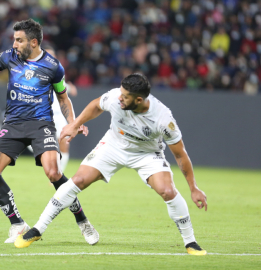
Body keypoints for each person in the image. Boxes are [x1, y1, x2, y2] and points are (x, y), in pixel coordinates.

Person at [14, 73, 208, 255]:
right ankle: (38, 229)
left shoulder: (163, 119)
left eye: (125, 97)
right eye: (120, 94)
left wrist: (194, 188)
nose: (119, 98)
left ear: (139, 100)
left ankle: (190, 242)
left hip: (146, 154)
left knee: (167, 191)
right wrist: (74, 124)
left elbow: (181, 155)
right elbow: (96, 106)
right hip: (113, 145)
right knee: (78, 180)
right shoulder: (116, 96)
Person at [0, 18, 99, 245]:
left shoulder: (53, 66)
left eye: (19, 40)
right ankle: (18, 224)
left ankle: (82, 220)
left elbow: (63, 97)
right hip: (13, 124)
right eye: (14, 40)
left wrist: (72, 123)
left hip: (41, 125)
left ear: (34, 42)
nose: (14, 44)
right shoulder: (9, 57)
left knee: (54, 173)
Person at [26, 45, 78, 172]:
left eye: (51, 55)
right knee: (27, 141)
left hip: (58, 115)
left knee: (64, 143)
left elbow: (66, 88)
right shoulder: (32, 73)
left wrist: (71, 89)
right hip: (40, 116)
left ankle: (58, 172)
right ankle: (47, 156)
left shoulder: (57, 72)